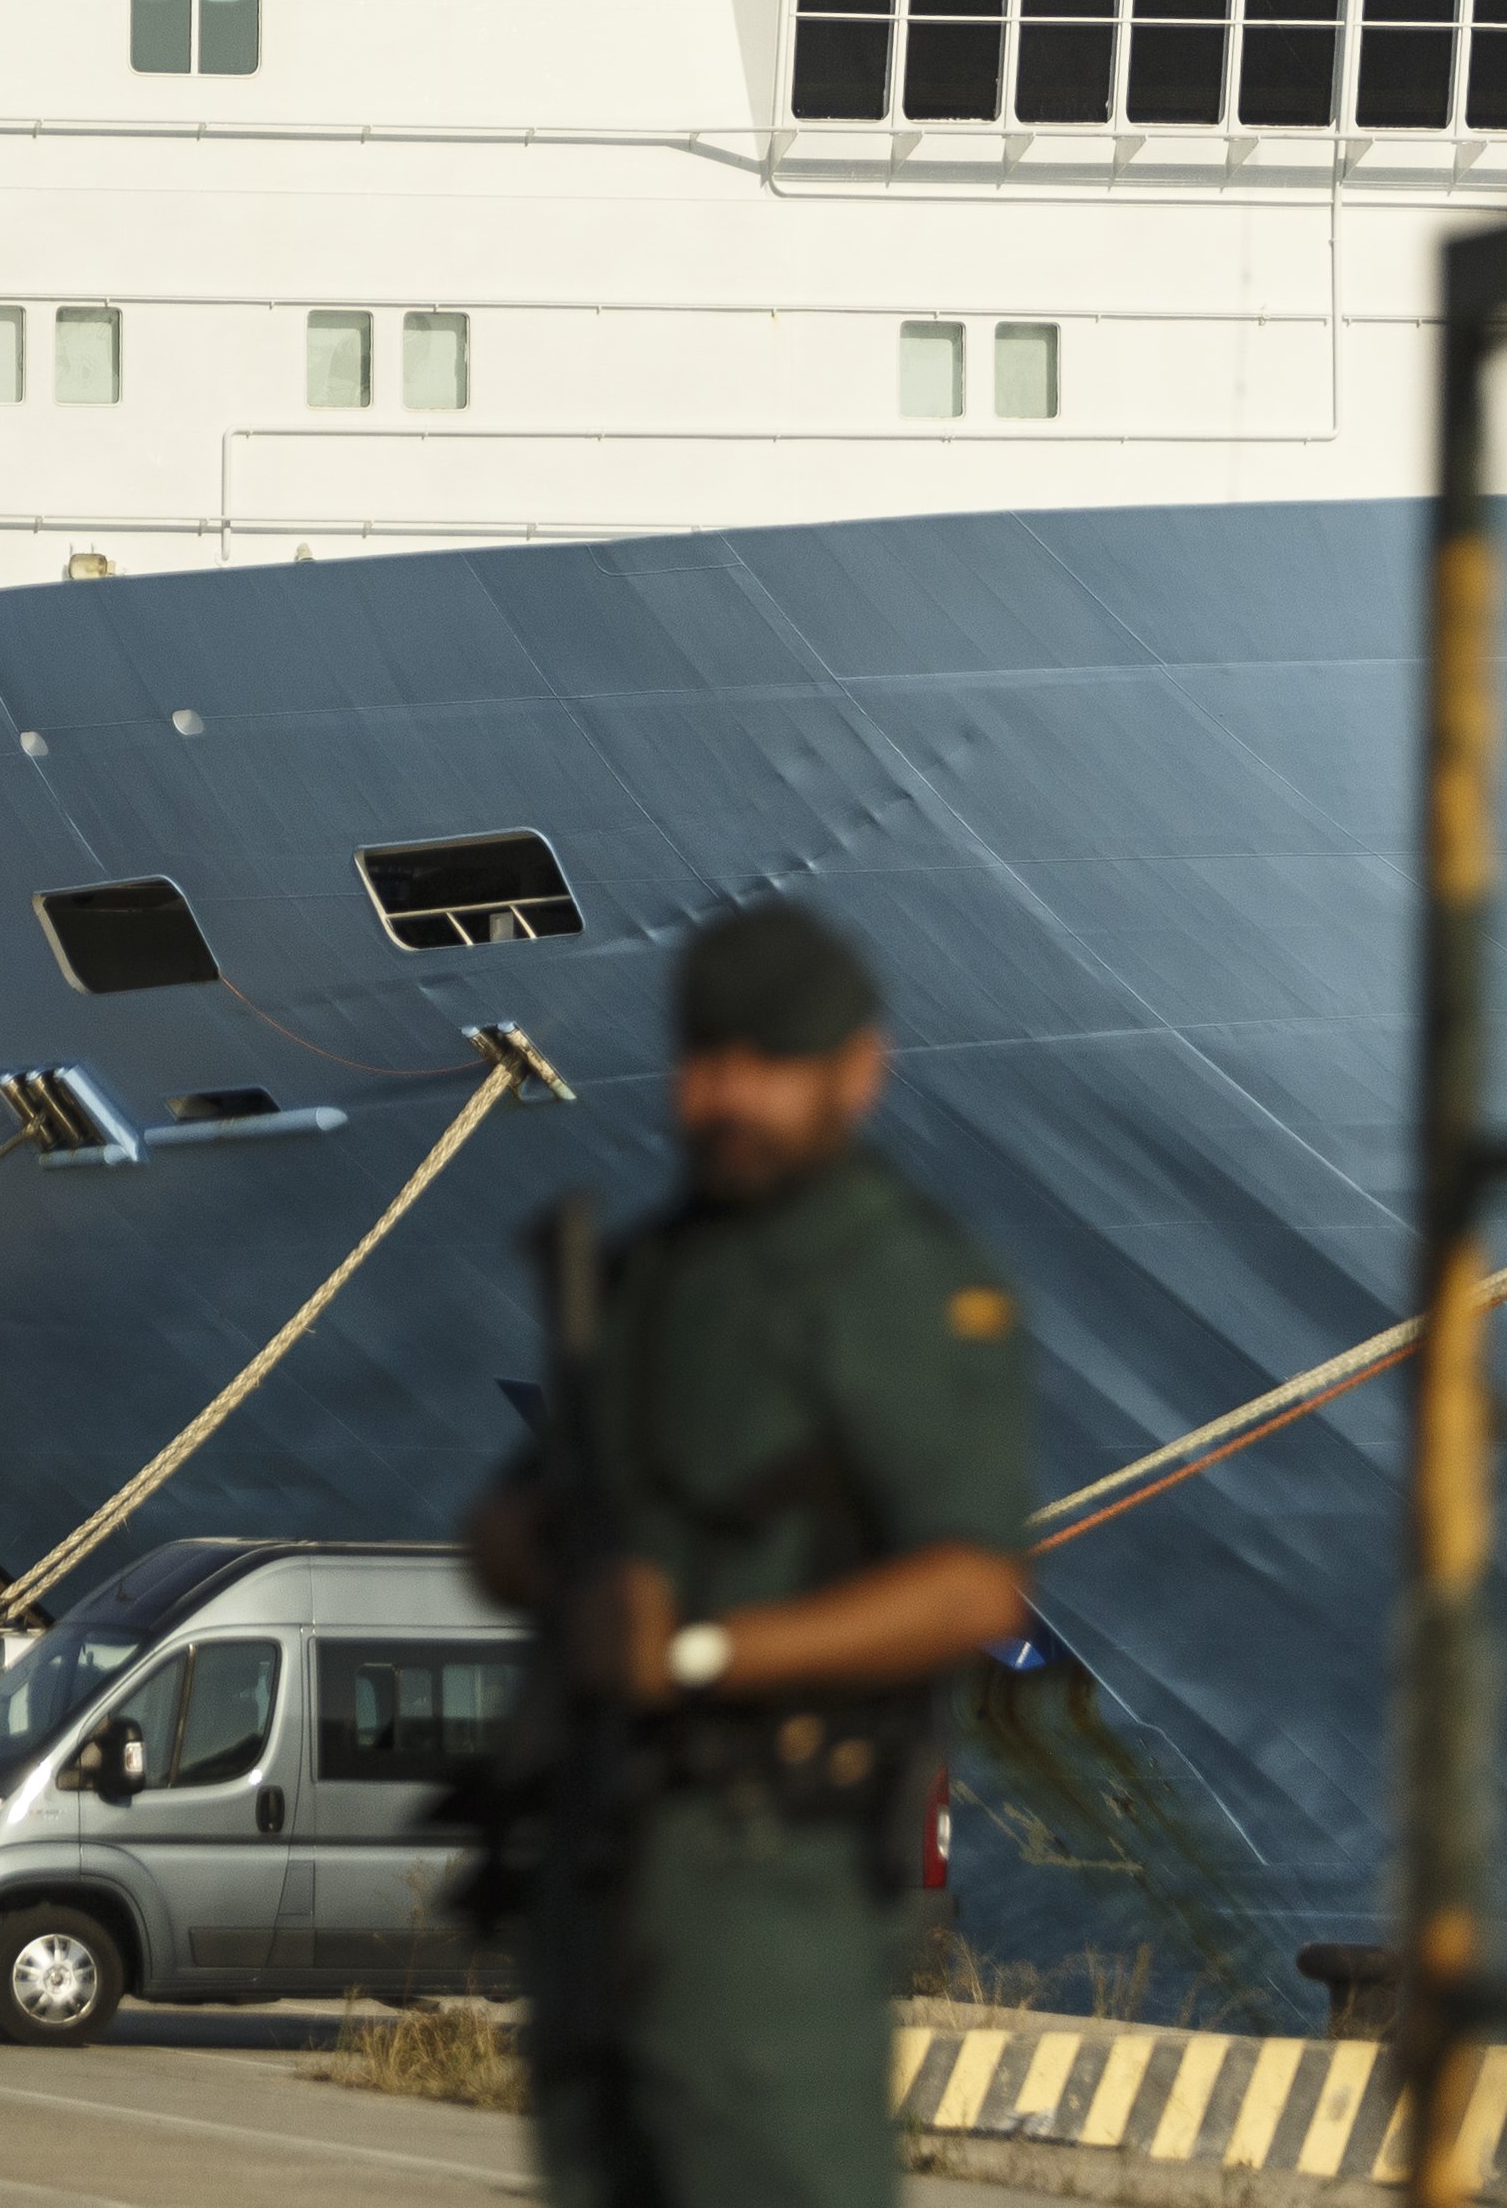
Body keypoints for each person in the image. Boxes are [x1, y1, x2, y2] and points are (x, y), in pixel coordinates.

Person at [465, 900, 1040, 2208]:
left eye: (770, 1062)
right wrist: (559, 1568)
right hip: (611, 1859)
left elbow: (970, 1584)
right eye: (706, 1058)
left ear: (856, 1071)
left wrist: (701, 1647)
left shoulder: (900, 1280)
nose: (730, 1093)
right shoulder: (653, 1277)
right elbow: (514, 1521)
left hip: (776, 1870)